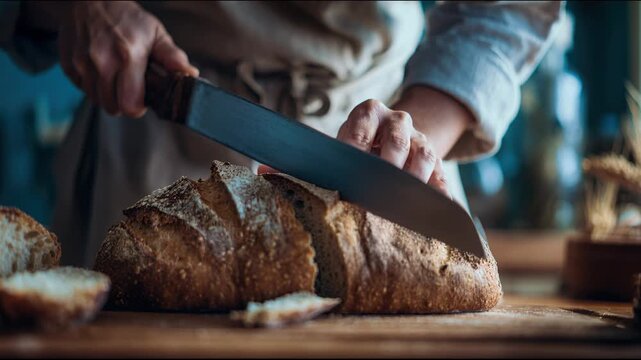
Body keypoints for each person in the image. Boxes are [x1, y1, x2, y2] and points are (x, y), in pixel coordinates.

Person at [1, 1, 564, 266]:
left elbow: (507, 10)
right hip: (154, 140)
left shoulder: (401, 149)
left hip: (387, 138)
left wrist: (411, 142)